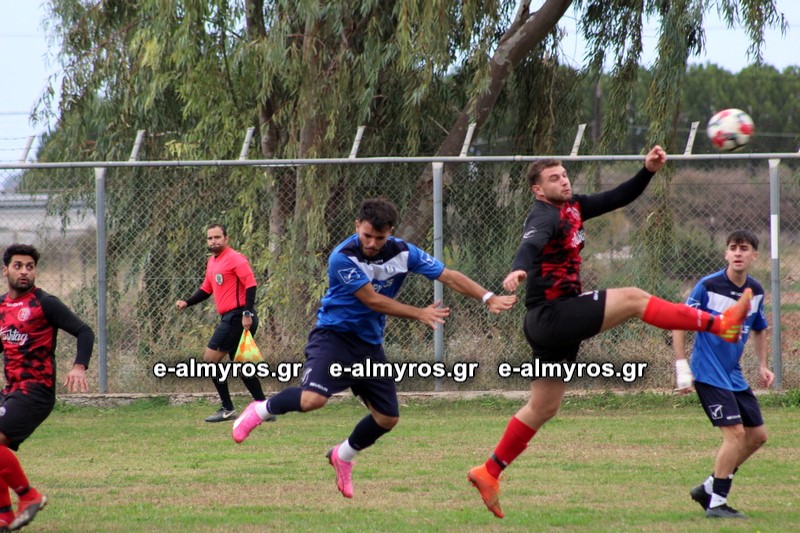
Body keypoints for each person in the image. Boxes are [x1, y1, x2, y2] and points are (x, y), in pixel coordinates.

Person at [466, 146, 754, 519]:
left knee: (543, 407)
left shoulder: (573, 206)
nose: (563, 181)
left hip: (555, 322)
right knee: (634, 298)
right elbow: (530, 244)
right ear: (538, 190)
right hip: (551, 317)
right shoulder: (543, 214)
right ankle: (720, 324)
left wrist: (647, 171)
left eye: (564, 174)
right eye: (553, 178)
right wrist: (519, 269)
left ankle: (488, 471)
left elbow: (618, 197)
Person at [231, 198, 516, 498]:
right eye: (367, 235)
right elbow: (372, 300)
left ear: (390, 232)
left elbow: (447, 276)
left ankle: (342, 455)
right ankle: (260, 409)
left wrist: (488, 297)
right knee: (313, 399)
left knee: (387, 418)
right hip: (334, 337)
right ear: (357, 226)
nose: (371, 243)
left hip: (369, 344)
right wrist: (419, 313)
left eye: (379, 238)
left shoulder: (404, 252)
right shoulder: (342, 257)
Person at [672, 229, 772, 519]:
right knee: (736, 435)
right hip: (708, 372)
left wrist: (763, 365)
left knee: (757, 436)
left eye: (744, 248)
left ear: (754, 255)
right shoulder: (708, 286)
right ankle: (716, 504)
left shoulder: (755, 291)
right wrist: (681, 366)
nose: (738, 253)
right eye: (733, 248)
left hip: (733, 375)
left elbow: (759, 328)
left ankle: (708, 487)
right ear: (726, 254)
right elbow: (679, 321)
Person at [0, 244, 95, 530]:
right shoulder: (2, 306)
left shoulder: (44, 303)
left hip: (36, 391)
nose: (24, 271)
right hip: (12, 389)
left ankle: (29, 497)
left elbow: (84, 331)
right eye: (18, 266)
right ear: (5, 270)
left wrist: (79, 366)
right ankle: (5, 515)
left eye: (30, 267)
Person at [176, 224, 266, 422]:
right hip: (230, 317)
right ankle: (265, 408)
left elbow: (251, 285)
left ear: (226, 238)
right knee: (242, 365)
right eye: (210, 238)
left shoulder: (236, 259)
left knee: (210, 361)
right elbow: (206, 289)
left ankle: (227, 408)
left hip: (238, 317)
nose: (213, 241)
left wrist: (247, 313)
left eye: (217, 237)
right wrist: (187, 302)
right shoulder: (212, 261)